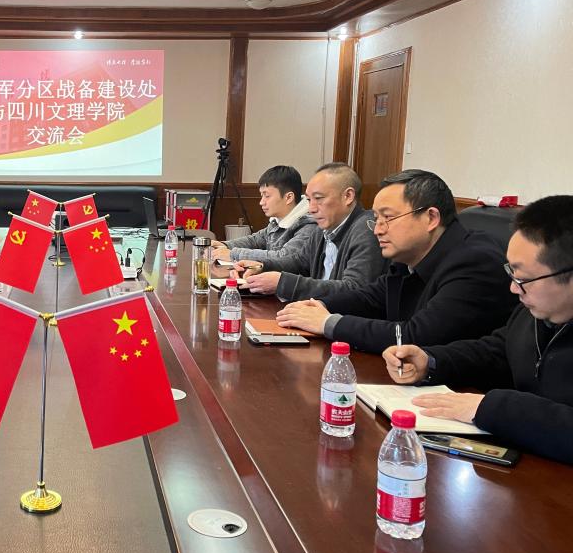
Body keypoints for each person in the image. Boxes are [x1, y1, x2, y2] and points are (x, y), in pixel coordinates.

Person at [383, 195, 573, 464]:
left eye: (524, 278)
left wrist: (491, 408)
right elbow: (497, 351)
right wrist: (430, 361)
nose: (513, 288)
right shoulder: (534, 312)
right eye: (511, 273)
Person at [275, 170, 515, 352]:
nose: (377, 229)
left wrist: (328, 323)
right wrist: (315, 306)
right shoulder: (408, 256)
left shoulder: (475, 262)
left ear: (431, 218)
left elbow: (417, 336)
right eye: (376, 219)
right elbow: (371, 298)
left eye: (387, 218)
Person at [233, 162, 385, 300]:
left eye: (318, 198)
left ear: (348, 196)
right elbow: (298, 262)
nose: (311, 209)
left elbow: (355, 290)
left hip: (336, 318)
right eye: (309, 200)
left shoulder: (366, 230)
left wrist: (283, 283)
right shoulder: (323, 228)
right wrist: (260, 266)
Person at [210, 165, 317, 270]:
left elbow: (284, 257)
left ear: (288, 197)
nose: (261, 202)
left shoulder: (309, 226)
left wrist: (233, 254)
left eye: (267, 196)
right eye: (262, 196)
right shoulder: (277, 221)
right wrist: (224, 245)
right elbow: (256, 240)